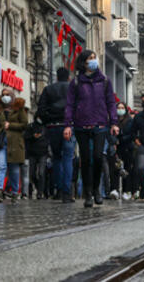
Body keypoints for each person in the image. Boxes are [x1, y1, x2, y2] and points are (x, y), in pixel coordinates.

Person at [64, 50, 119, 208]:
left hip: (100, 125)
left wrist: (114, 122)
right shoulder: (76, 82)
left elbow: (111, 103)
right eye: (90, 58)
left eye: (95, 58)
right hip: (81, 125)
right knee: (86, 159)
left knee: (98, 157)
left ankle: (96, 189)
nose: (94, 61)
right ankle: (88, 192)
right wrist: (68, 124)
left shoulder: (105, 81)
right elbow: (69, 105)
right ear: (84, 62)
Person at [37, 67, 75, 203]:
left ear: (57, 77)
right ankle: (67, 191)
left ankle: (58, 189)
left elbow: (41, 108)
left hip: (53, 126)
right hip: (69, 126)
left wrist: (48, 119)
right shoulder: (73, 88)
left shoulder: (48, 89)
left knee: (57, 158)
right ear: (69, 77)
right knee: (68, 157)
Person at [0, 87, 28, 202]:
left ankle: (15, 192)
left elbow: (24, 124)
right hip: (1, 142)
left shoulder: (19, 107)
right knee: (1, 166)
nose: (5, 96)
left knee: (14, 169)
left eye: (7, 94)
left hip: (14, 143)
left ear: (12, 95)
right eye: (3, 94)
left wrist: (11, 125)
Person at [25, 117, 49, 199]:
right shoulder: (30, 126)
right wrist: (33, 137)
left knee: (41, 173)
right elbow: (26, 138)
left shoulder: (46, 127)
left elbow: (49, 139)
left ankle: (40, 192)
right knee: (32, 174)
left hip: (43, 153)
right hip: (32, 153)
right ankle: (39, 188)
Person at [116, 102, 135, 200]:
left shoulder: (129, 121)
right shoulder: (114, 120)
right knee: (117, 168)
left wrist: (121, 138)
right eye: (118, 107)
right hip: (117, 147)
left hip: (127, 147)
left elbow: (132, 134)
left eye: (122, 107)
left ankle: (126, 190)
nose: (120, 109)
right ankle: (115, 189)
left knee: (127, 169)